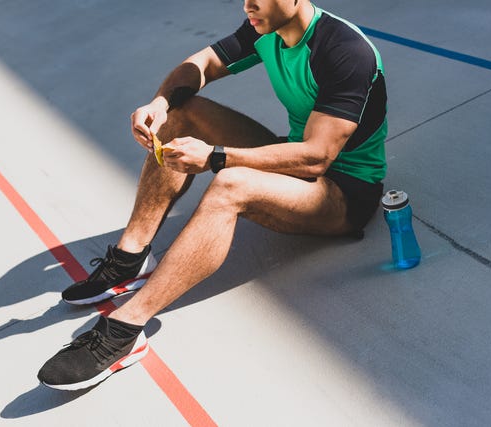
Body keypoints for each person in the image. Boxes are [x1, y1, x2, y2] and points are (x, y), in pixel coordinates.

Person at [38, 0, 388, 390]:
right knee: (181, 112)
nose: (248, 5)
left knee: (229, 184)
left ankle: (127, 326)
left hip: (343, 193)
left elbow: (316, 158)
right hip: (290, 159)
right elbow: (202, 64)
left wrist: (215, 157)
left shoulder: (345, 52)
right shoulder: (265, 27)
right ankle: (131, 258)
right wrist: (159, 103)